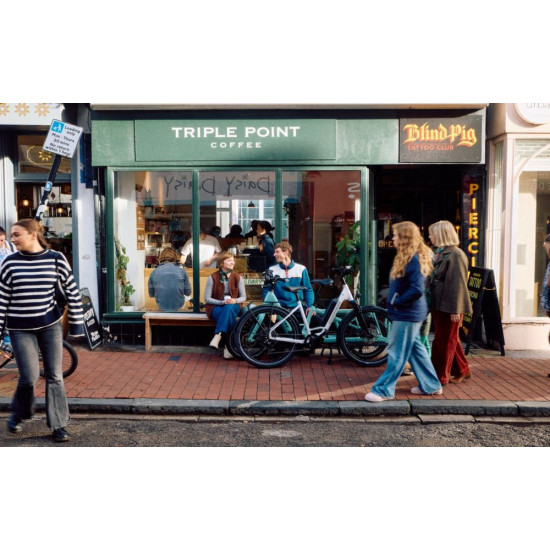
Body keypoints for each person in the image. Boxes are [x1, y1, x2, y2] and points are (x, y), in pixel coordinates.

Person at [0, 219, 84, 442]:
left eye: (17, 234)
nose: (12, 239)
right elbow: (2, 298)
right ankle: (20, 413)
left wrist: (77, 323)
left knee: (55, 375)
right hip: (20, 328)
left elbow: (72, 290)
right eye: (12, 235)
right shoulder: (9, 262)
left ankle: (59, 425)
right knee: (29, 377)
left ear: (33, 234)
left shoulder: (56, 258)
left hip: (49, 325)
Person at [364, 221, 442, 402]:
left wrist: (396, 301)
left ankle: (383, 390)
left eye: (396, 235)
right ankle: (431, 384)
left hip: (407, 313)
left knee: (397, 352)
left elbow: (416, 289)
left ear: (405, 237)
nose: (393, 238)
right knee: (416, 351)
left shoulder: (413, 259)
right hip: (409, 312)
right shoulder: (411, 257)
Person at [428, 220, 473, 385]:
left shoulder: (456, 254)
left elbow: (458, 283)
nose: (429, 236)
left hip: (449, 305)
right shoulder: (440, 252)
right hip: (439, 303)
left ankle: (440, 376)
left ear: (441, 234)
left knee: (445, 341)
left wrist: (456, 309)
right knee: (448, 338)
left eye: (432, 233)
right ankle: (462, 370)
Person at [205, 251, 246, 359]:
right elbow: (207, 299)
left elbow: (243, 297)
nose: (233, 262)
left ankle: (218, 335)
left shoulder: (238, 277)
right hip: (216, 307)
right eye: (229, 260)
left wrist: (235, 300)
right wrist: (221, 302)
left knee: (229, 308)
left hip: (234, 305)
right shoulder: (213, 277)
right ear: (221, 263)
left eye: (233, 260)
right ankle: (228, 348)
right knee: (228, 313)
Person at [262, 241, 316, 318]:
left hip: (297, 308)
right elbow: (266, 290)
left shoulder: (301, 269)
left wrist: (309, 306)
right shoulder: (272, 270)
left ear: (285, 253)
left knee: (318, 321)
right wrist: (268, 307)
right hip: (279, 309)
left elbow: (308, 290)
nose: (274, 254)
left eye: (277, 252)